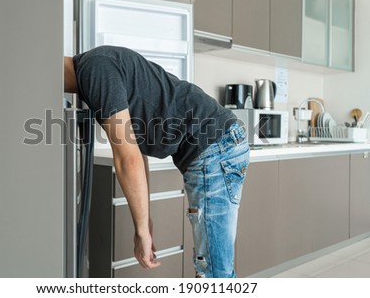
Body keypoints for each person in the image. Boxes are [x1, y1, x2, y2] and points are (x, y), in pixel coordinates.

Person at [64, 45, 249, 278]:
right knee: (214, 266)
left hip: (214, 146)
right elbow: (137, 153)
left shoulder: (94, 70)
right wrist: (144, 219)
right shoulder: (96, 67)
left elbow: (127, 159)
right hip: (218, 143)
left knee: (214, 271)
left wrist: (141, 232)